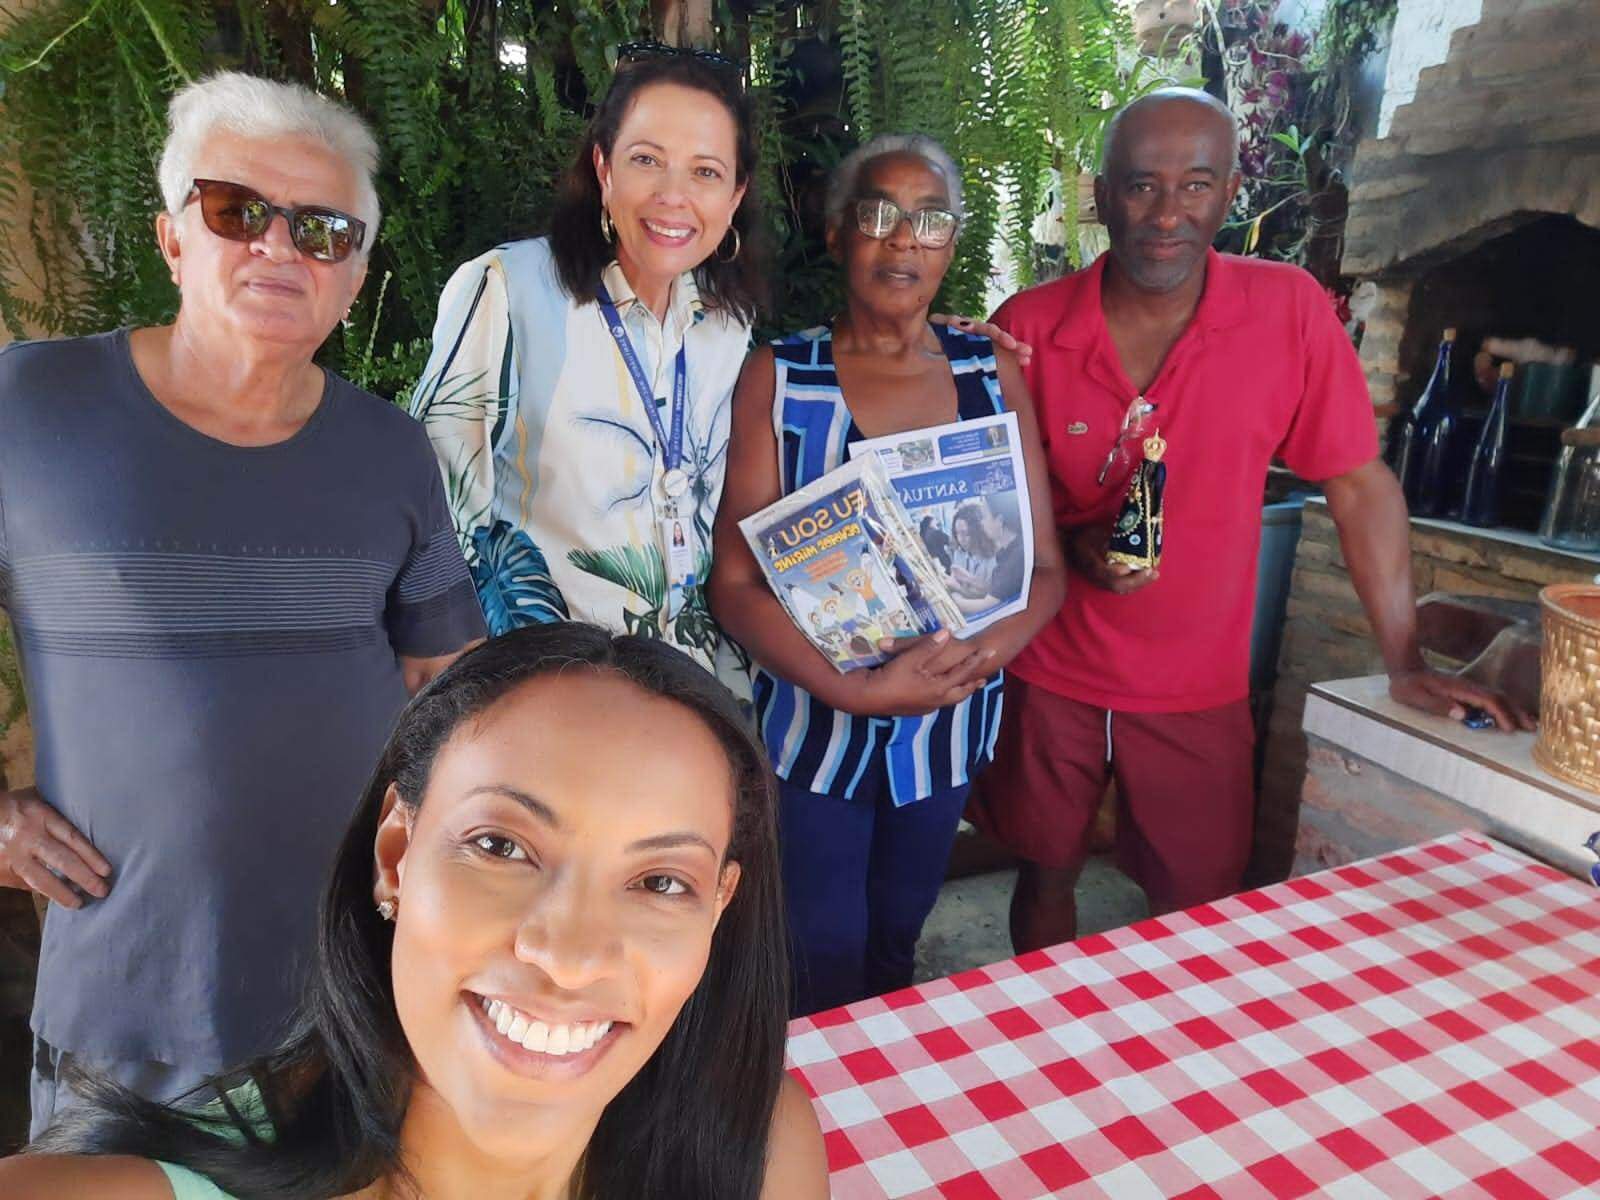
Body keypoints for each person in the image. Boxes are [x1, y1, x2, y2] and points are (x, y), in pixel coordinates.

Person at [0, 72, 486, 1136]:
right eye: (236, 211)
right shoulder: (28, 407)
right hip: (127, 1007)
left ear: (355, 275)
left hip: (358, 988)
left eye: (324, 231)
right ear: (174, 238)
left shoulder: (390, 451)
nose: (279, 248)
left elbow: (441, 678)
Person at [974, 88, 1533, 953]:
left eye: (1195, 186)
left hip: (1200, 684)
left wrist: (1404, 661)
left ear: (1231, 191)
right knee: (1044, 871)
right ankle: (1040, 1042)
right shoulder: (1030, 328)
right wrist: (1075, 542)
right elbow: (991, 506)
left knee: (1200, 909)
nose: (1167, 214)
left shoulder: (1289, 311)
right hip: (1052, 669)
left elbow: (1357, 482)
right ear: (1102, 194)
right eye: (1140, 186)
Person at [0, 625, 828, 1198]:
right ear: (395, 855)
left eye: (660, 883)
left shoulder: (757, 1145)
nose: (570, 955)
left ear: (719, 910)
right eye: (502, 846)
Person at [413, 45, 1022, 700]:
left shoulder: (723, 324)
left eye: (705, 172)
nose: (674, 196)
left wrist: (935, 335)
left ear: (735, 196)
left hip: (692, 689)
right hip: (544, 691)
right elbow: (432, 519)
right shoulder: (509, 290)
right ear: (604, 167)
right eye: (646, 160)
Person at [710, 134, 1067, 1016]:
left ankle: (878, 1125)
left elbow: (1048, 571)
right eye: (877, 215)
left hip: (944, 735)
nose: (903, 240)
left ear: (953, 244)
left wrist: (986, 656)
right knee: (814, 954)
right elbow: (735, 583)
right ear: (836, 236)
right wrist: (857, 691)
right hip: (814, 737)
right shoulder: (781, 377)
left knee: (897, 940)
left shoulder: (992, 377)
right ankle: (805, 1127)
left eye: (930, 220)